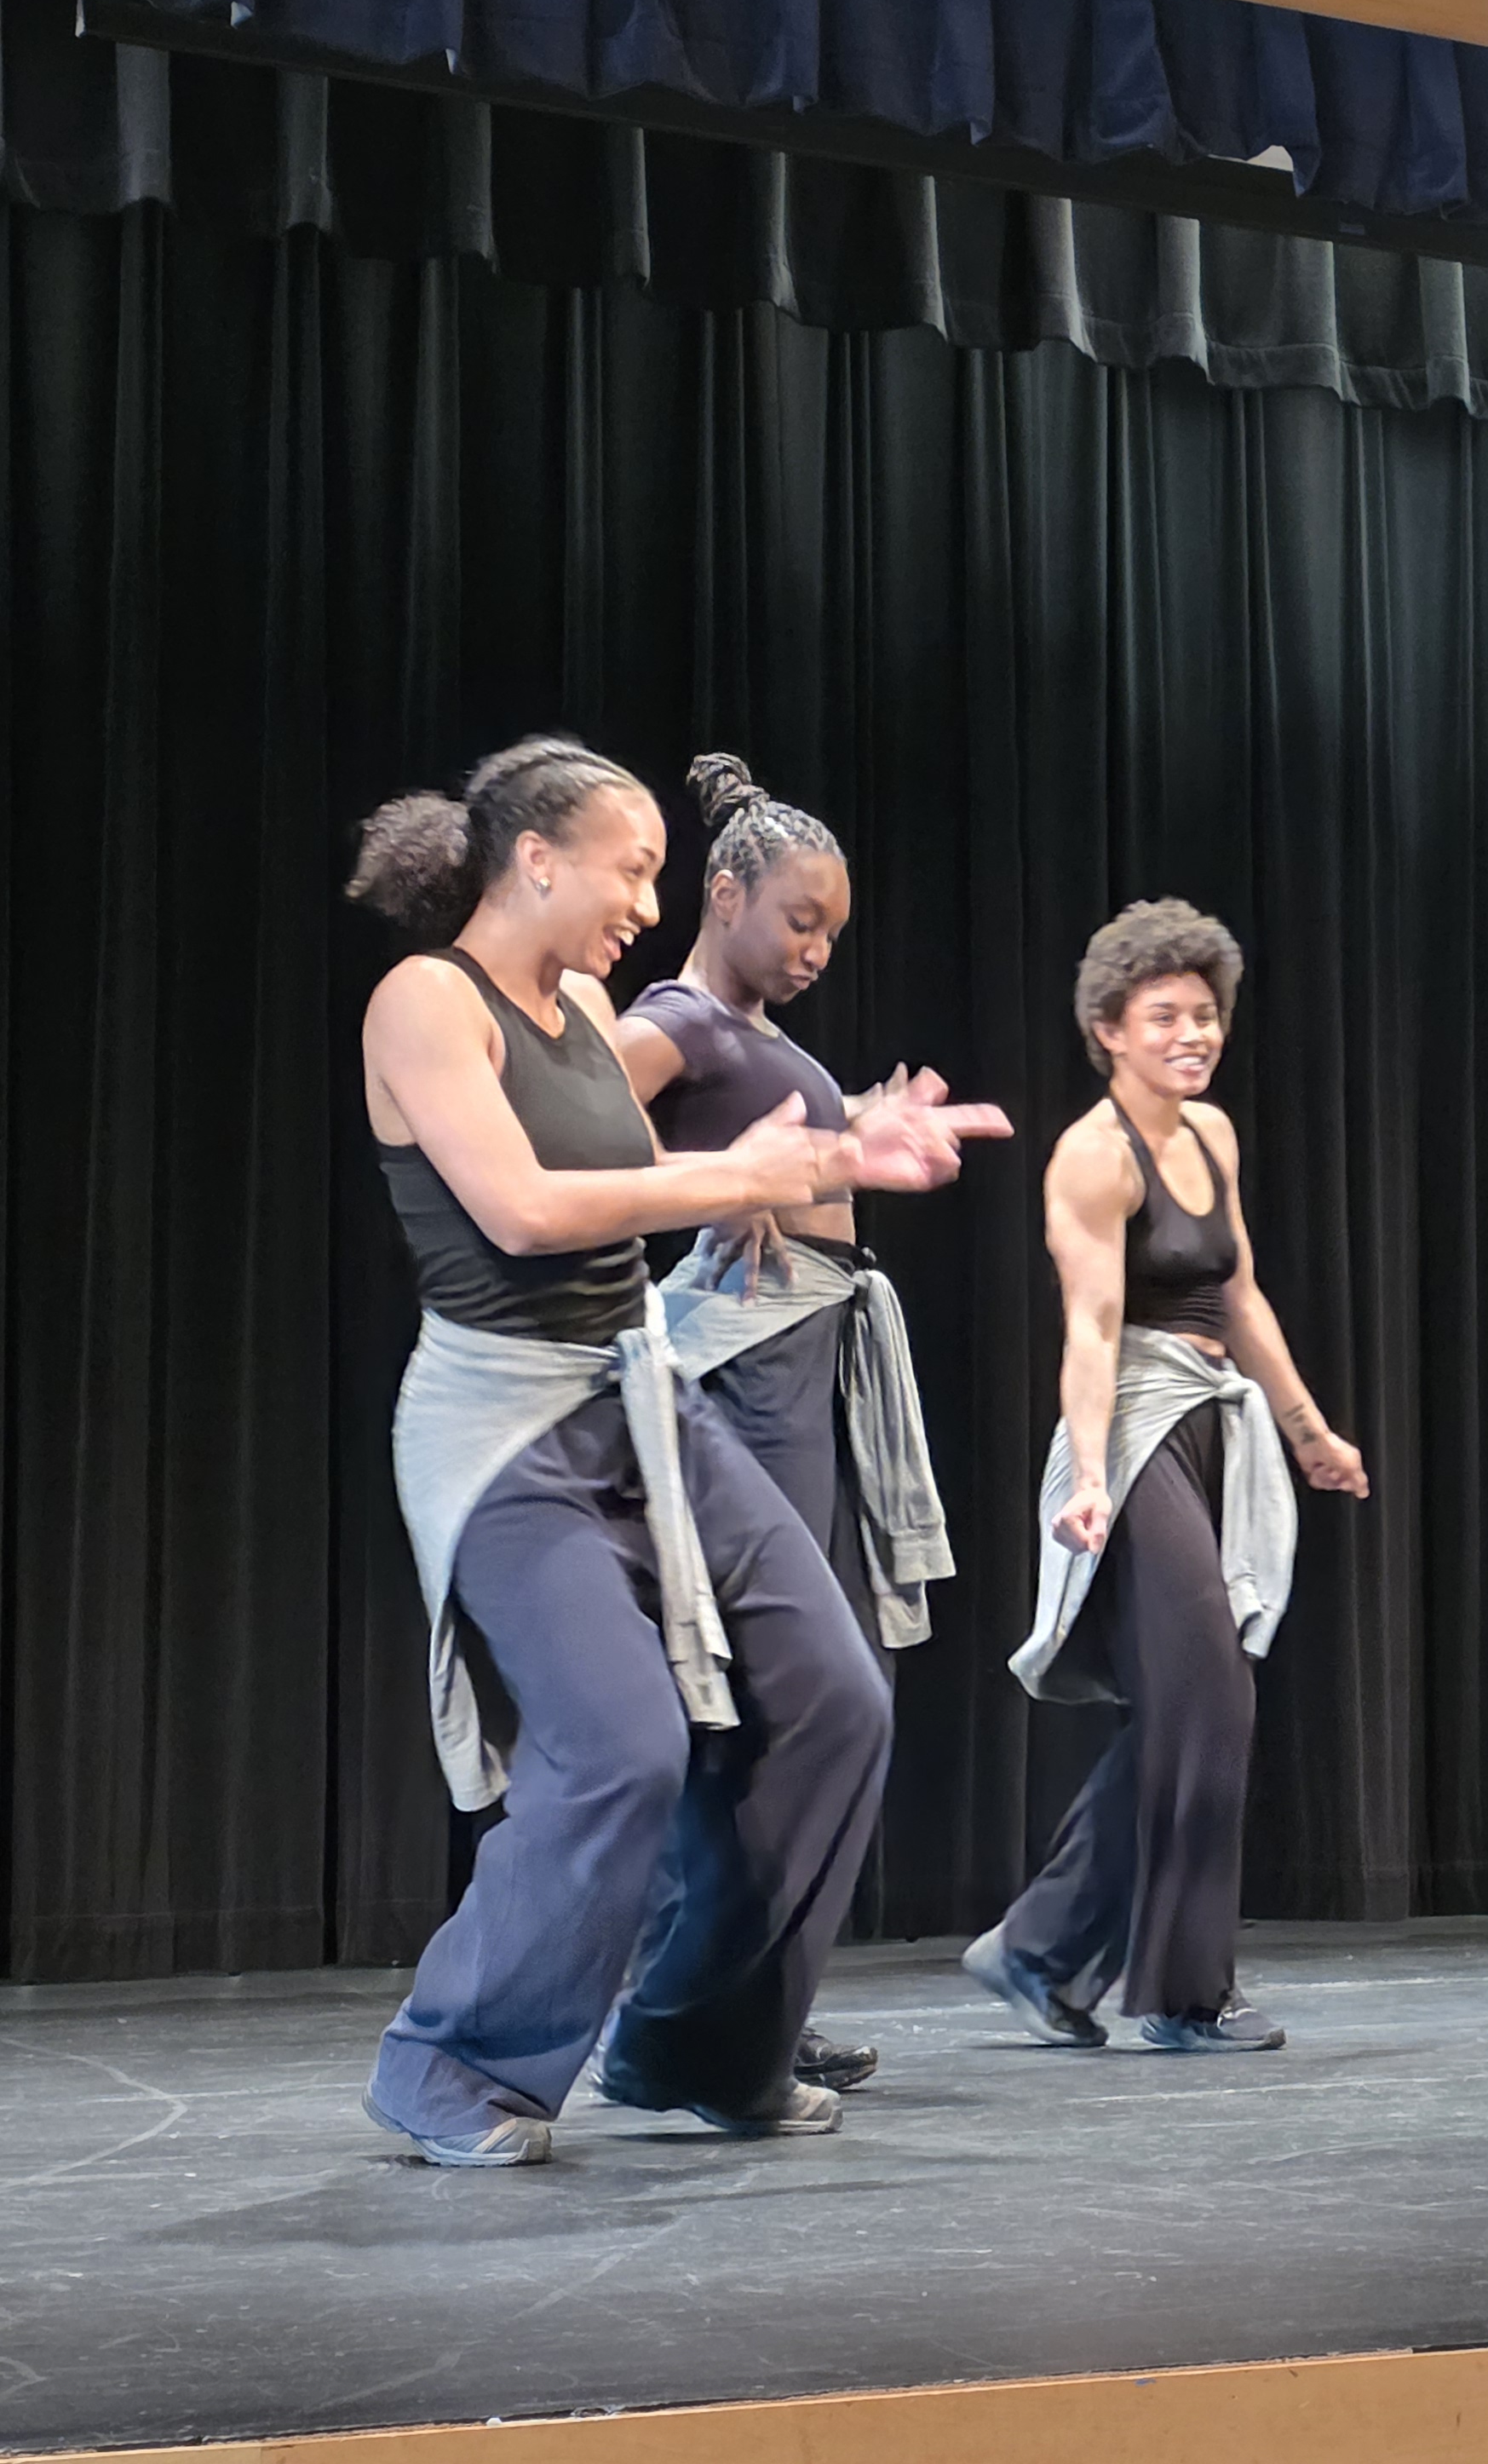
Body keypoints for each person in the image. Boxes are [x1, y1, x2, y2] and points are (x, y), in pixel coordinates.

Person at [345, 736, 998, 2167]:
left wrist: (837, 1152)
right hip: (503, 1422)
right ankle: (450, 2060)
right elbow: (521, 1210)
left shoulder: (579, 999)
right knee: (620, 1746)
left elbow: (676, 1165)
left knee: (835, 1699)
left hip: (638, 1400)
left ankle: (696, 2045)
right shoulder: (426, 1004)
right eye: (630, 869)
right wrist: (754, 1172)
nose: (646, 901)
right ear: (535, 859)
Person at [614, 753, 976, 2094]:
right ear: (724, 892)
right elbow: (560, 1123)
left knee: (792, 1696)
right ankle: (688, 2009)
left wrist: (855, 1129)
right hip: (747, 1367)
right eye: (800, 920)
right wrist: (714, 1178)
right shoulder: (682, 1020)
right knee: (763, 1697)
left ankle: (750, 1996)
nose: (819, 947)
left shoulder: (758, 1039)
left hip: (803, 1357)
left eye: (835, 928)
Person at [968, 901, 1368, 2053]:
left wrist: (1306, 1428)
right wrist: (1086, 1475)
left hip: (1215, 1419)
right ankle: (1186, 1993)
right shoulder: (1093, 1158)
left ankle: (1038, 1948)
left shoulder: (1213, 1135)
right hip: (1136, 1428)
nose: (1192, 1036)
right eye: (1164, 1019)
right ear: (1108, 1029)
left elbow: (1237, 1295)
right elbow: (1092, 1330)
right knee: (1209, 1700)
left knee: (1191, 1712)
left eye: (1204, 1016)